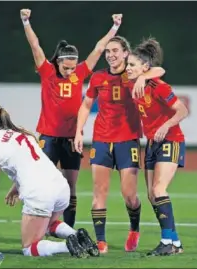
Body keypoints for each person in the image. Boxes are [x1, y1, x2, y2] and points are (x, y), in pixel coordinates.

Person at [21, 9, 143, 228]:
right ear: (57, 61)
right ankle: (41, 226)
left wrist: (114, 27)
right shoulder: (47, 71)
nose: (69, 72)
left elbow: (98, 48)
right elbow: (35, 46)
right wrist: (26, 21)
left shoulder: (81, 71)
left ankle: (68, 230)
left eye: (72, 67)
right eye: (66, 68)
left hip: (70, 139)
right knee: (43, 183)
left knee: (70, 187)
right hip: (47, 137)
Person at [74, 35, 166, 254]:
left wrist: (143, 78)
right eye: (107, 51)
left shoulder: (134, 73)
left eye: (115, 50)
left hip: (128, 140)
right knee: (99, 192)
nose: (111, 55)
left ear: (126, 53)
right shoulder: (98, 77)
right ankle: (101, 241)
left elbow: (159, 71)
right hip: (102, 140)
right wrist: (78, 131)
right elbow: (86, 104)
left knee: (130, 195)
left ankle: (134, 229)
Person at [0, 103, 99, 258]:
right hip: (60, 187)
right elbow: (30, 162)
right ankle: (78, 236)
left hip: (40, 193)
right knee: (47, 224)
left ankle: (67, 245)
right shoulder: (22, 134)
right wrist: (16, 187)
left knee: (28, 248)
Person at [126, 37, 188, 256]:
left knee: (159, 189)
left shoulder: (158, 87)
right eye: (128, 65)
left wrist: (166, 125)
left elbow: (182, 111)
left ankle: (166, 242)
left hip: (171, 140)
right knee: (152, 195)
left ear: (144, 67)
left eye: (132, 65)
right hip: (152, 143)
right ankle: (175, 243)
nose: (128, 68)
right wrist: (142, 75)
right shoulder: (134, 84)